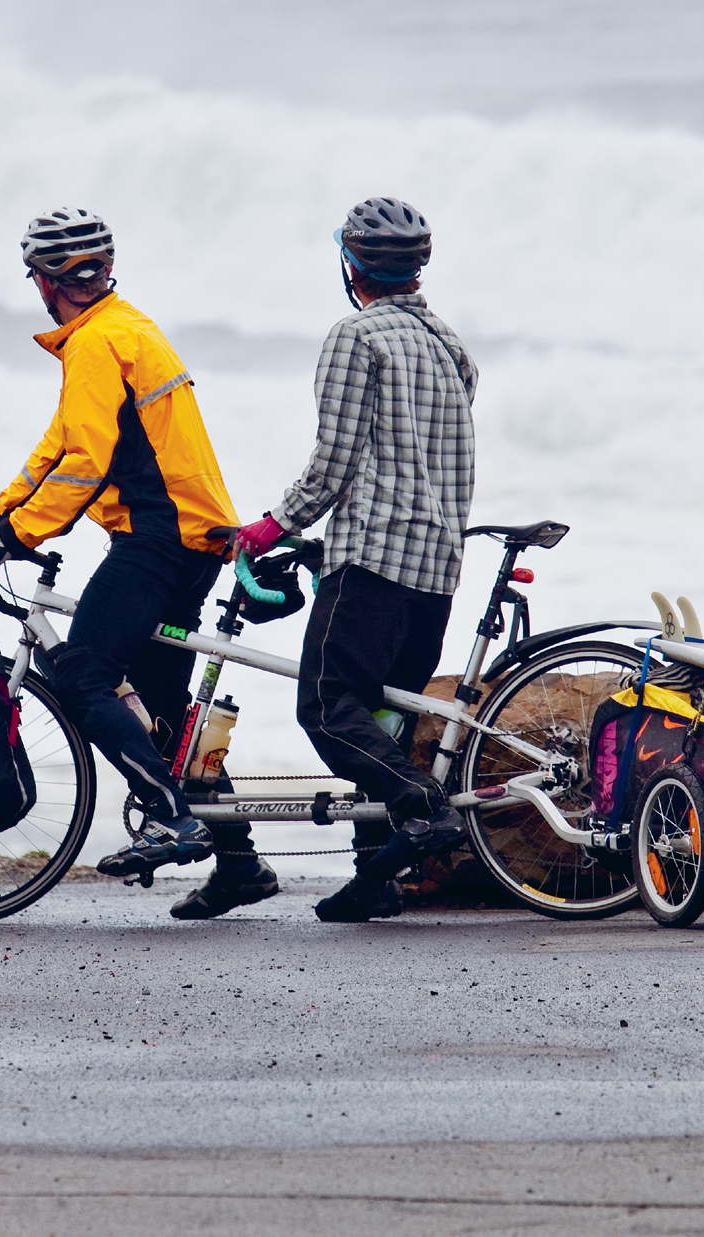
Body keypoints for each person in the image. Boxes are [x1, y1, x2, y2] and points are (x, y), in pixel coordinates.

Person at [0, 208, 281, 917]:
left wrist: (17, 536)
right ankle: (239, 864)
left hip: (157, 539)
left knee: (83, 671)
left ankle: (167, 814)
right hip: (195, 539)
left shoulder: (96, 344)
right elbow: (56, 448)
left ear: (44, 281)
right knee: (163, 714)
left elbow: (82, 465)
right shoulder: (127, 326)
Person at [233, 196, 478, 922]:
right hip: (435, 566)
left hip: (372, 555)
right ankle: (375, 876)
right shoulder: (450, 345)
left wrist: (274, 524)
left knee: (326, 705)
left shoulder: (354, 336)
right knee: (384, 717)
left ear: (351, 265)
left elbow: (335, 459)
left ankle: (421, 806)